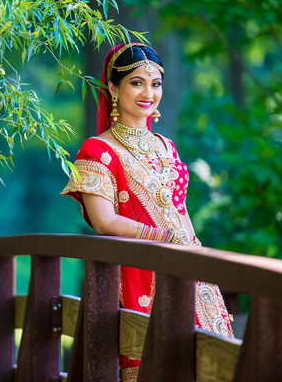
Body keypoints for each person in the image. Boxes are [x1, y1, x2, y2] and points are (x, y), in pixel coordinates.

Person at [61, 42, 234, 381]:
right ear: (113, 87)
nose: (148, 93)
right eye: (136, 82)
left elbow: (180, 212)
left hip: (189, 264)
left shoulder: (166, 146)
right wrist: (164, 237)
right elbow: (104, 221)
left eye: (155, 84)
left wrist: (196, 253)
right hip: (140, 270)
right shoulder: (98, 150)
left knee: (213, 362)